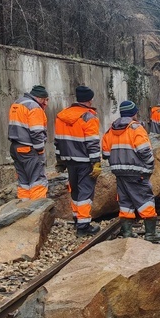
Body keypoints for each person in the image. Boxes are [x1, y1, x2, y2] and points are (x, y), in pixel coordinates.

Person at [100, 100, 160, 242]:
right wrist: (150, 164)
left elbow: (106, 154)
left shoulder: (111, 130)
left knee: (125, 201)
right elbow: (145, 151)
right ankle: (151, 234)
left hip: (119, 173)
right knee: (145, 200)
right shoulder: (136, 129)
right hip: (137, 172)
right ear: (134, 113)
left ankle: (127, 233)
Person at [54, 85, 102, 236]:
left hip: (69, 160)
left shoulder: (61, 116)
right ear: (90, 100)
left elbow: (57, 141)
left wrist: (60, 161)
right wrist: (96, 163)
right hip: (85, 161)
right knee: (85, 192)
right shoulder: (89, 117)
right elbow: (92, 142)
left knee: (74, 189)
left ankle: (77, 219)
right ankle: (83, 226)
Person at [7, 85, 50, 200]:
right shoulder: (34, 107)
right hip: (29, 149)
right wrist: (40, 150)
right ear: (39, 98)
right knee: (37, 181)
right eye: (46, 100)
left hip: (16, 148)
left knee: (24, 182)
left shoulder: (17, 103)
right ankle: (37, 211)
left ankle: (23, 209)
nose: (46, 103)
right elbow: (36, 132)